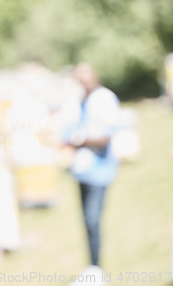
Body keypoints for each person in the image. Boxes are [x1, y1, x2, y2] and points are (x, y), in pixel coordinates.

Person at [65, 63, 120, 279]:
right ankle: (92, 268)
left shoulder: (104, 99)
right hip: (82, 170)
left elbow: (106, 136)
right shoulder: (80, 101)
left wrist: (81, 140)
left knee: (93, 219)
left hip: (100, 170)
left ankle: (96, 269)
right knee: (86, 222)